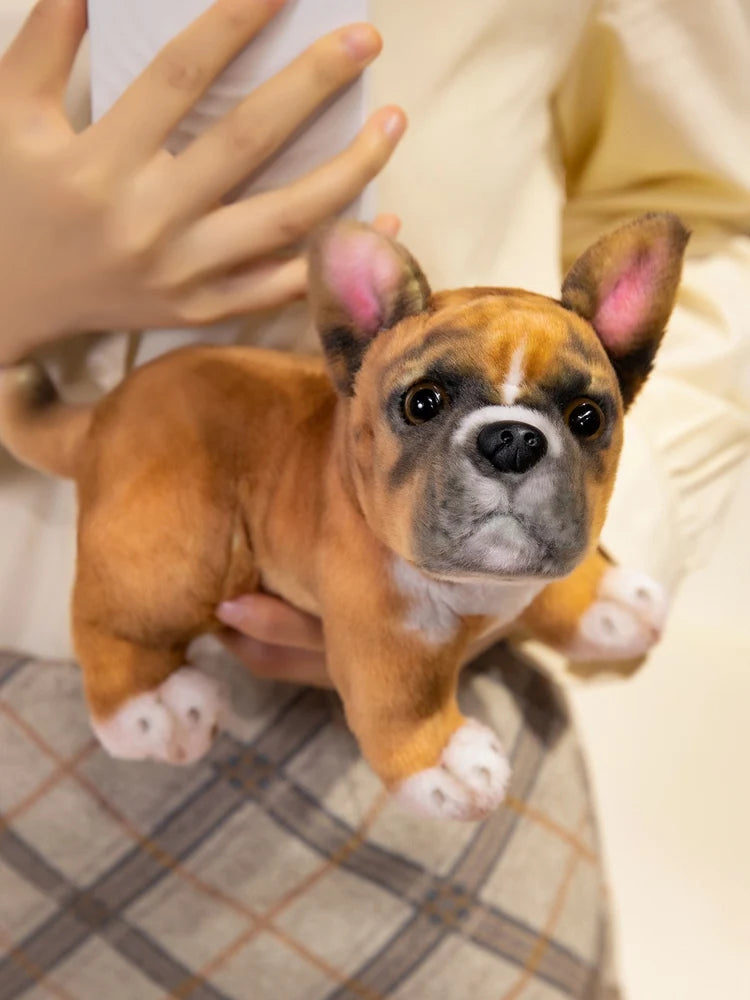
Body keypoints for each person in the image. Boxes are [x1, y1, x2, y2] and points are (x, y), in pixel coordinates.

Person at [0, 2, 748, 999]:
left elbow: (719, 206)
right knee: (153, 558)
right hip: (36, 716)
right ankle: (125, 664)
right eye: (433, 404)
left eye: (568, 416)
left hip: (471, 734)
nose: (508, 447)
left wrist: (603, 542)